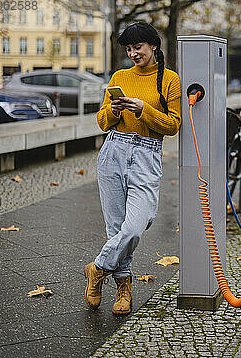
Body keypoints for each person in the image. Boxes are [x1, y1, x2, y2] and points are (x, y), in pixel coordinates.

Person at [84, 22, 181, 315]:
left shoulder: (170, 80)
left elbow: (173, 125)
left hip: (147, 154)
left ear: (153, 45)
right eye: (128, 49)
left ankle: (98, 267)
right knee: (115, 227)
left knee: (137, 224)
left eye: (138, 47)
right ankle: (123, 289)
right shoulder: (119, 76)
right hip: (114, 149)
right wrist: (113, 111)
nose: (133, 53)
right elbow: (101, 122)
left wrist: (144, 110)